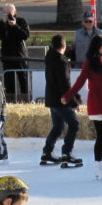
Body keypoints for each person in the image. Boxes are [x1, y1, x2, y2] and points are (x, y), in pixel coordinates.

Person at [61, 35, 102, 180]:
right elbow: (80, 81)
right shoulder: (90, 63)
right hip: (98, 103)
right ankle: (98, 165)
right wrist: (68, 95)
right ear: (96, 47)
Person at [41, 34, 81, 167]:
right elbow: (65, 83)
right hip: (61, 100)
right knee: (74, 124)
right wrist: (73, 101)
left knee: (58, 127)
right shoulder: (61, 61)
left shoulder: (49, 58)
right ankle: (67, 153)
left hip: (52, 99)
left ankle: (47, 152)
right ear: (64, 46)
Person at [0, 4, 30, 100]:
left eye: (10, 13)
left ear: (15, 12)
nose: (8, 15)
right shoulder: (0, 24)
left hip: (20, 56)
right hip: (7, 56)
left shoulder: (21, 21)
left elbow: (25, 35)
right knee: (9, 81)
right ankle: (10, 99)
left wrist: (15, 26)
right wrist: (4, 24)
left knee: (23, 79)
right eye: (5, 13)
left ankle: (26, 98)